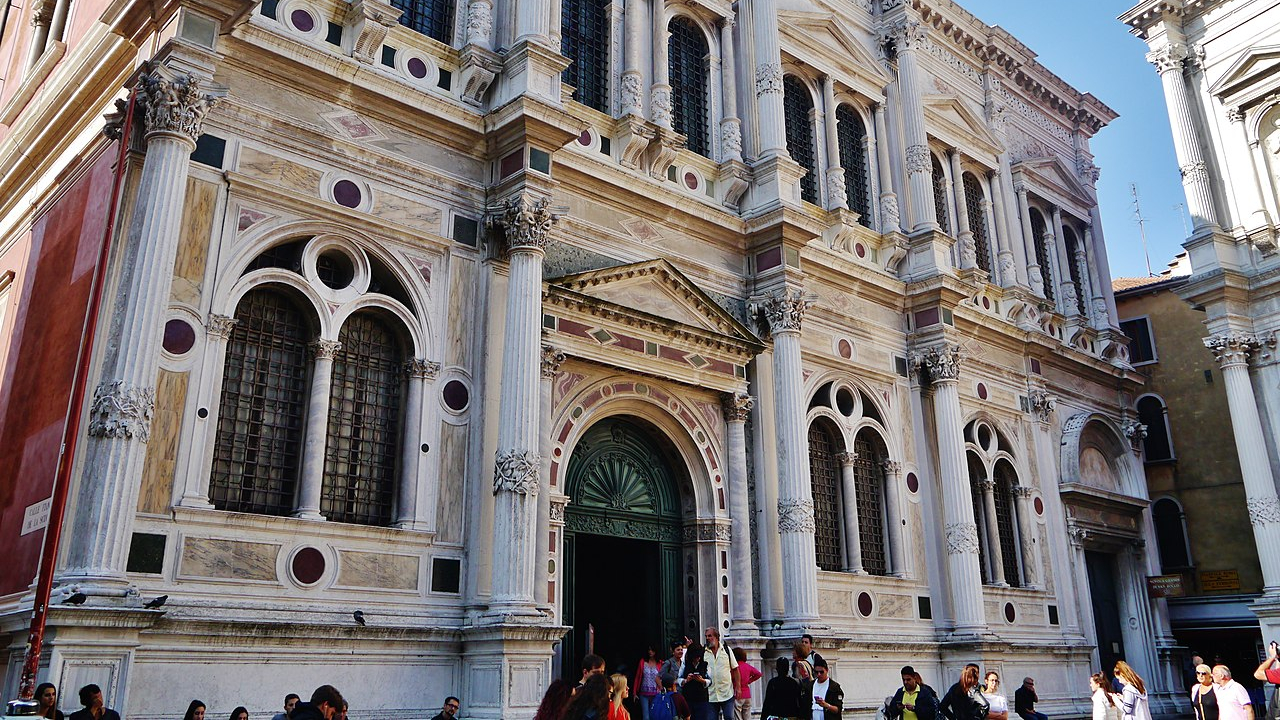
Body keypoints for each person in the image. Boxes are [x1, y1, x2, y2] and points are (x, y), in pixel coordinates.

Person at [703, 627, 739, 720]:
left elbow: (735, 669)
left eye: (710, 636)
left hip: (726, 692)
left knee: (729, 717)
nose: (707, 638)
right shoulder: (703, 652)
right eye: (706, 636)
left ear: (716, 637)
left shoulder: (727, 650)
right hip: (710, 694)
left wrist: (738, 687)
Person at [680, 643, 710, 720]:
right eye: (695, 657)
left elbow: (710, 680)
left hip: (701, 699)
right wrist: (686, 680)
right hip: (688, 698)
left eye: (699, 657)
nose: (697, 659)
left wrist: (702, 680)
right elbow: (678, 678)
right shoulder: (685, 664)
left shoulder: (705, 664)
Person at [732, 647, 762, 720]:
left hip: (737, 694)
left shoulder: (734, 667)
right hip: (747, 694)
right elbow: (758, 674)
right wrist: (749, 680)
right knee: (747, 715)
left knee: (737, 715)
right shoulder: (747, 666)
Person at [635, 646, 663, 720]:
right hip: (644, 693)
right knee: (646, 717)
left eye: (652, 650)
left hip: (656, 693)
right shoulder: (643, 661)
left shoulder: (660, 663)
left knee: (655, 715)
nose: (650, 652)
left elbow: (663, 677)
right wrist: (634, 692)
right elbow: (638, 677)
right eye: (649, 650)